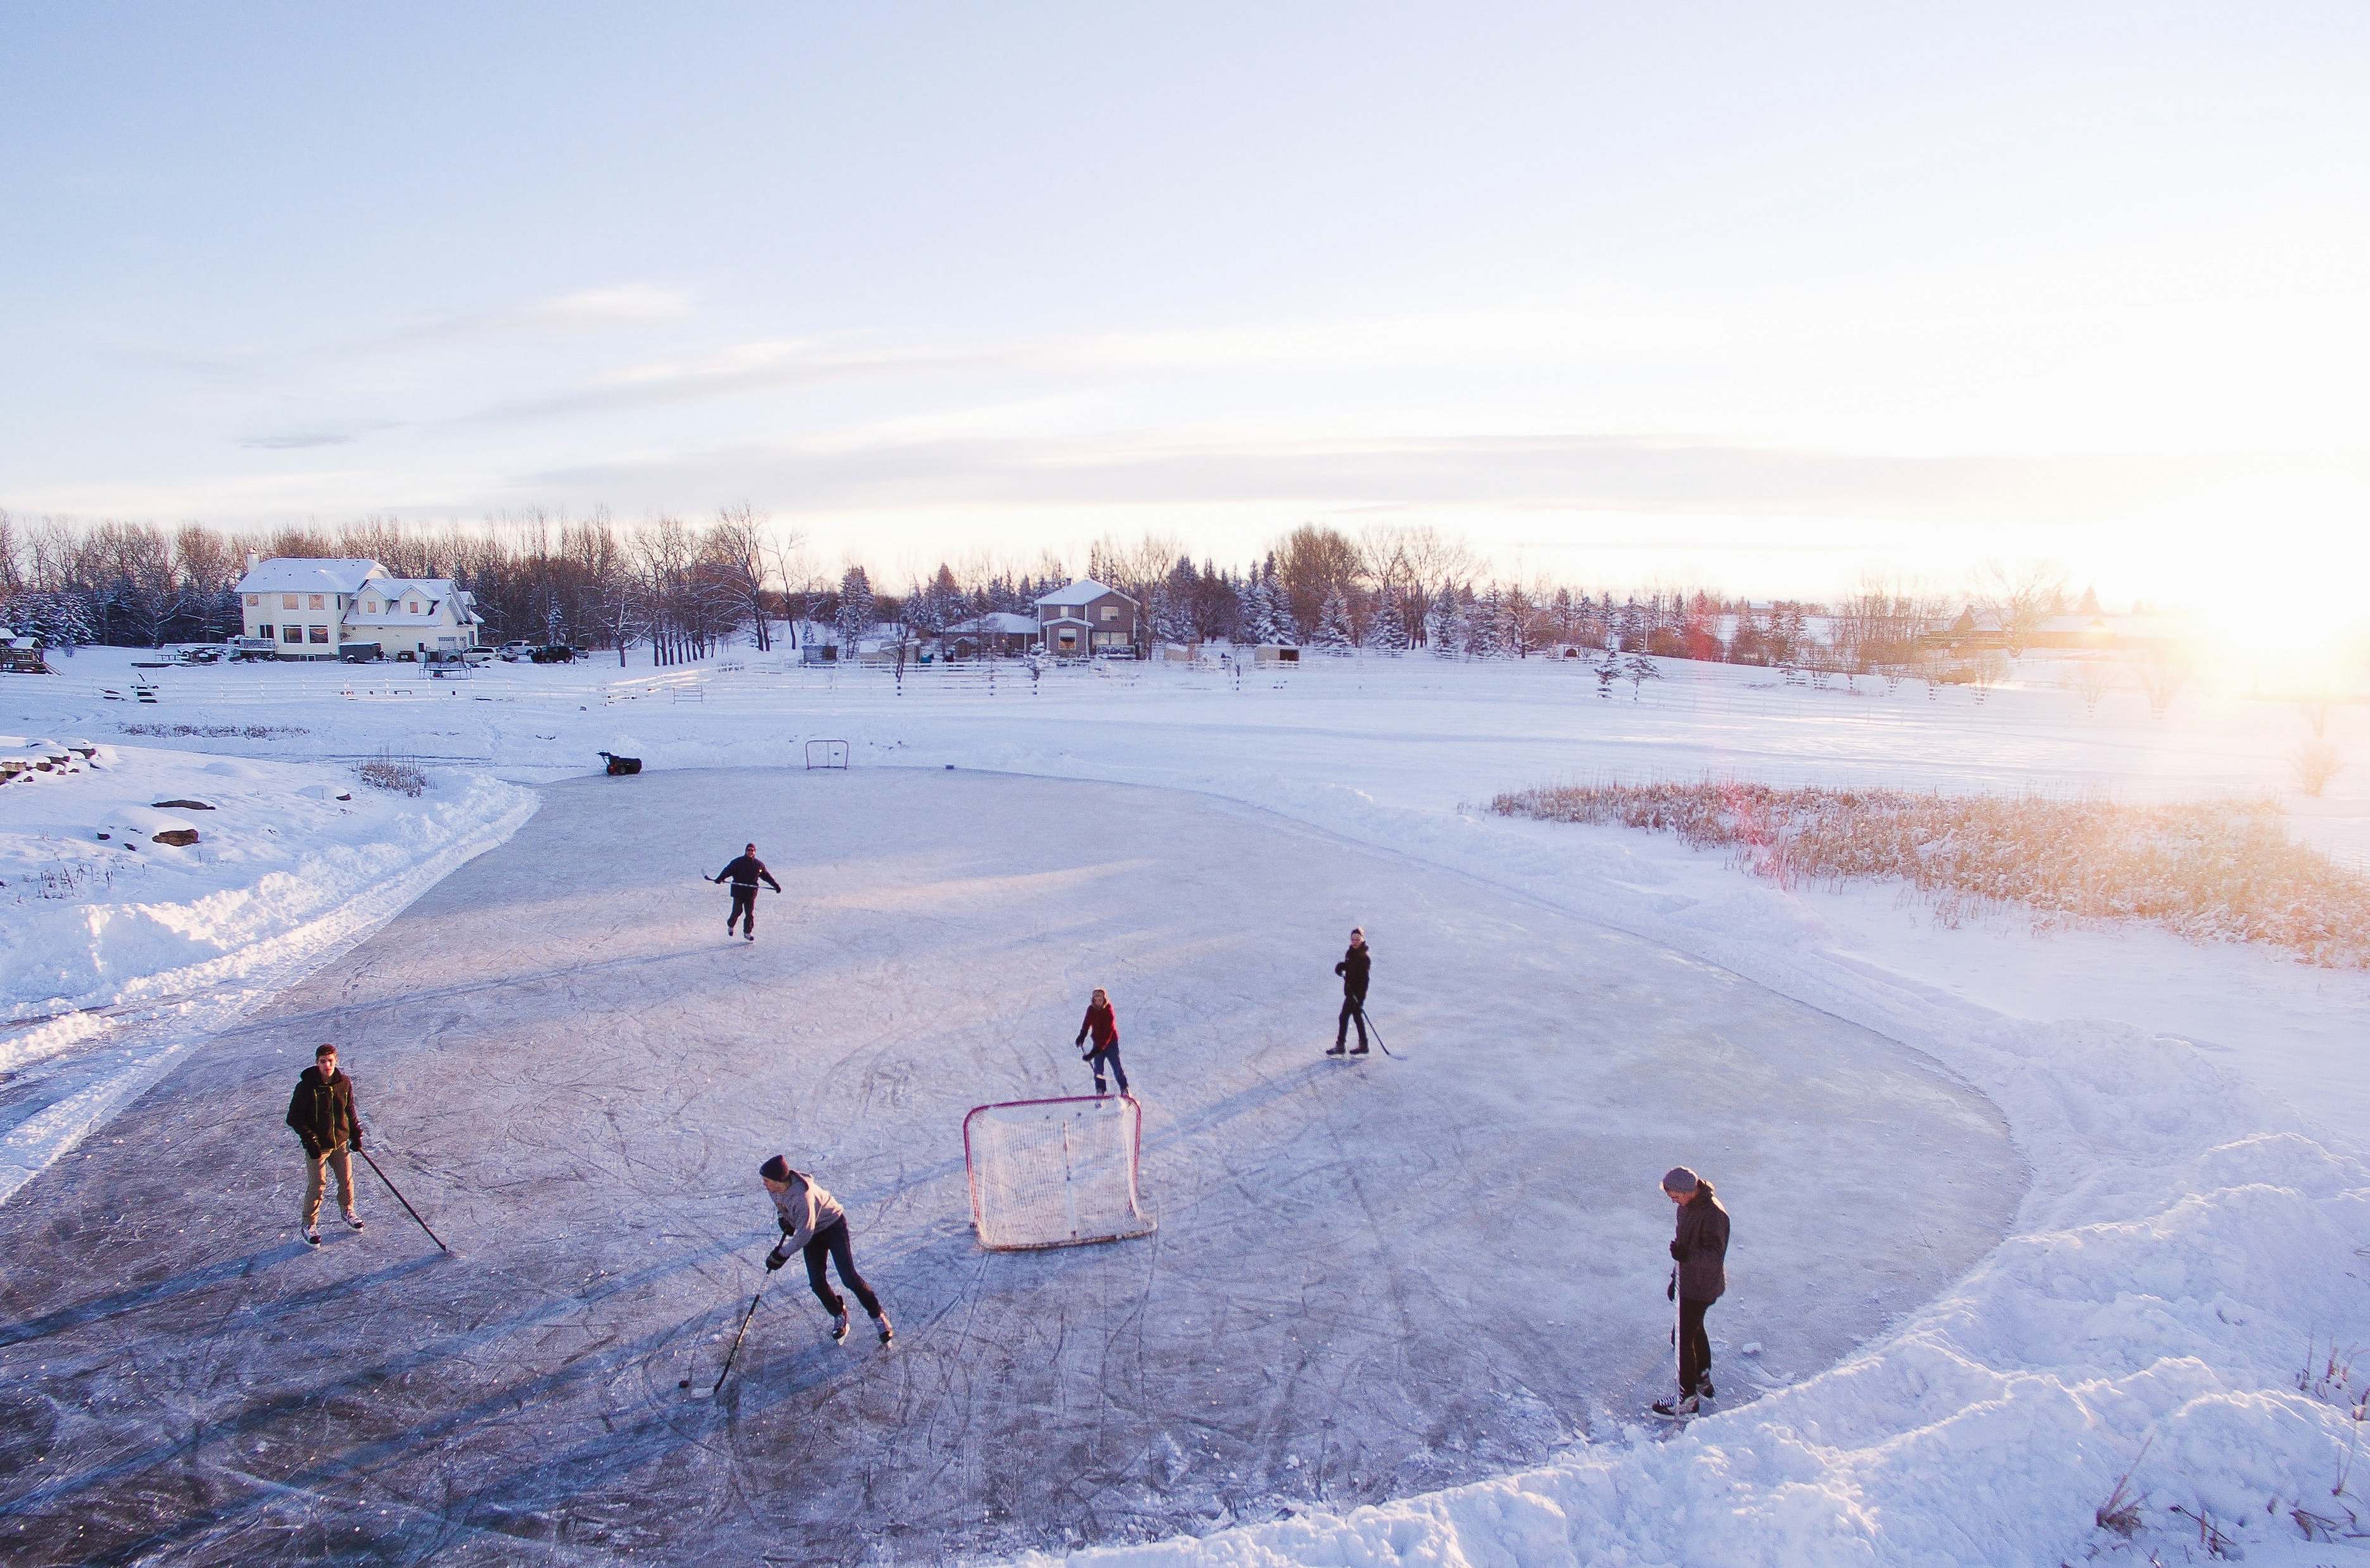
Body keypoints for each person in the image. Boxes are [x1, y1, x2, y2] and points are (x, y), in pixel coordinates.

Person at [760, 1155, 892, 1345]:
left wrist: (781, 1255)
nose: (764, 1185)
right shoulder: (774, 1189)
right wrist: (784, 1219)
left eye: (767, 1181)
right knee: (817, 1283)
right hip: (813, 1231)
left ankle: (878, 1315)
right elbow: (781, 1206)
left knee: (849, 1277)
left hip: (832, 1226)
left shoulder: (802, 1196)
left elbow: (805, 1234)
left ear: (779, 1181)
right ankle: (839, 1313)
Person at [1654, 1165, 1730, 1416]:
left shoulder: (1714, 1215)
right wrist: (1675, 1277)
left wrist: (1686, 1256)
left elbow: (1714, 1257)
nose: (1672, 1200)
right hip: (1688, 1282)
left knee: (1682, 1339)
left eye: (1674, 1195)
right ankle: (1702, 1377)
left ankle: (1687, 1398)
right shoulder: (1685, 1209)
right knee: (1694, 1329)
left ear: (1689, 1190)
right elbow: (1683, 1247)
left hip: (1702, 1286)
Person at [286, 1042, 364, 1246]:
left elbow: (350, 1110)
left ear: (336, 1061)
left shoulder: (344, 1083)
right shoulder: (306, 1087)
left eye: (330, 1061)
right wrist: (309, 1139)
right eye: (323, 1062)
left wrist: (355, 1134)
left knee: (346, 1179)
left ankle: (348, 1211)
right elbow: (294, 1118)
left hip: (340, 1142)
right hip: (318, 1146)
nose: (327, 1065)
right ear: (317, 1063)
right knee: (318, 1184)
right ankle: (309, 1224)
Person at [711, 843, 783, 941]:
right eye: (748, 850)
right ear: (746, 851)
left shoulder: (759, 865)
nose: (750, 852)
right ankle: (731, 925)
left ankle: (747, 932)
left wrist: (776, 886)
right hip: (738, 892)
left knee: (749, 914)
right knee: (737, 911)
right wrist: (720, 878)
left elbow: (767, 876)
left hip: (750, 894)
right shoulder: (738, 862)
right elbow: (728, 870)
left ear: (755, 852)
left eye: (752, 851)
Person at [1075, 986, 1128, 1096]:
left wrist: (1095, 1052)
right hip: (1098, 1043)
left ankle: (1124, 1089)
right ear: (1093, 999)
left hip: (1110, 1043)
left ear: (1104, 999)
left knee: (1117, 1067)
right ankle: (1100, 1090)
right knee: (1098, 1069)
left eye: (1100, 999)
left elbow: (1108, 1033)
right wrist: (1082, 1036)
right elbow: (1086, 1024)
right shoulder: (1091, 1010)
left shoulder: (1108, 1010)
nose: (1098, 1001)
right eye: (1096, 999)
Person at [1327, 927, 1371, 1056]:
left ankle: (1341, 1045)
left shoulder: (1364, 958)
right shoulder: (1350, 953)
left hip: (1356, 995)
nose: (1355, 942)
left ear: (1362, 940)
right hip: (1351, 993)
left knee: (1344, 1017)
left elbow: (1365, 980)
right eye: (1353, 939)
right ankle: (1364, 1045)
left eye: (1358, 939)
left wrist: (1360, 996)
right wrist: (1342, 967)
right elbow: (1350, 967)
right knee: (1357, 1018)